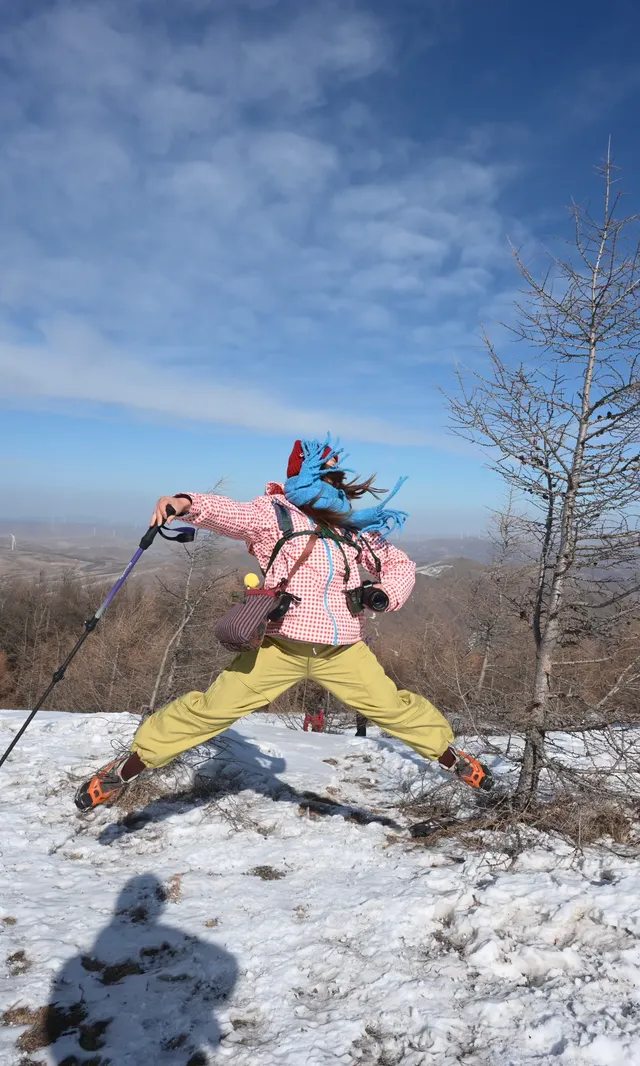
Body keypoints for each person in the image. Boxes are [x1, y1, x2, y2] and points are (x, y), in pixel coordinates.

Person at [76, 436, 491, 810]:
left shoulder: (351, 530)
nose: (331, 485)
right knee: (212, 709)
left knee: (391, 709)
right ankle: (130, 765)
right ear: (302, 477)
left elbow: (400, 564)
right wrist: (185, 503)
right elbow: (231, 515)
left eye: (334, 477)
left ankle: (452, 757)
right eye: (323, 476)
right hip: (279, 648)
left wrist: (384, 593)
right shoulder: (274, 514)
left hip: (343, 650)